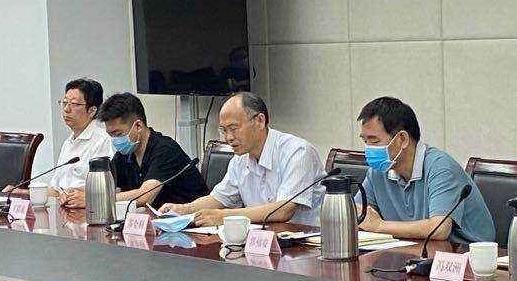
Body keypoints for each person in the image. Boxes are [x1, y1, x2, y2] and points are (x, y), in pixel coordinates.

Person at [159, 93, 323, 226]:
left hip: (308, 245)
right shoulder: (240, 159)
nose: (229, 137)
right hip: (263, 241)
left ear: (260, 121)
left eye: (234, 128)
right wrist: (184, 209)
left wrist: (224, 217)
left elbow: (283, 210)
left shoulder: (297, 152)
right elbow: (220, 198)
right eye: (224, 130)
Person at [356, 96, 495, 244]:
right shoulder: (378, 170)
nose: (368, 149)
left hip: (464, 252)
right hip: (412, 249)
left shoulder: (441, 168)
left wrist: (379, 226)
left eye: (374, 141)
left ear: (402, 139)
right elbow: (358, 214)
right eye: (365, 141)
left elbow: (439, 229)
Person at [95, 92, 207, 208]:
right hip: (153, 216)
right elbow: (104, 186)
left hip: (190, 215)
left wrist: (100, 199)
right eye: (111, 135)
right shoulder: (125, 154)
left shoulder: (165, 149)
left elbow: (145, 196)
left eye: (118, 134)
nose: (115, 140)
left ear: (138, 126)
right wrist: (88, 195)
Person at [42, 78, 114, 205]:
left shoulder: (103, 141)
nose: (66, 109)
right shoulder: (68, 143)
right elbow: (55, 190)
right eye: (64, 103)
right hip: (64, 209)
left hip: (89, 209)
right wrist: (23, 193)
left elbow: (105, 187)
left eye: (74, 104)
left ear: (92, 111)